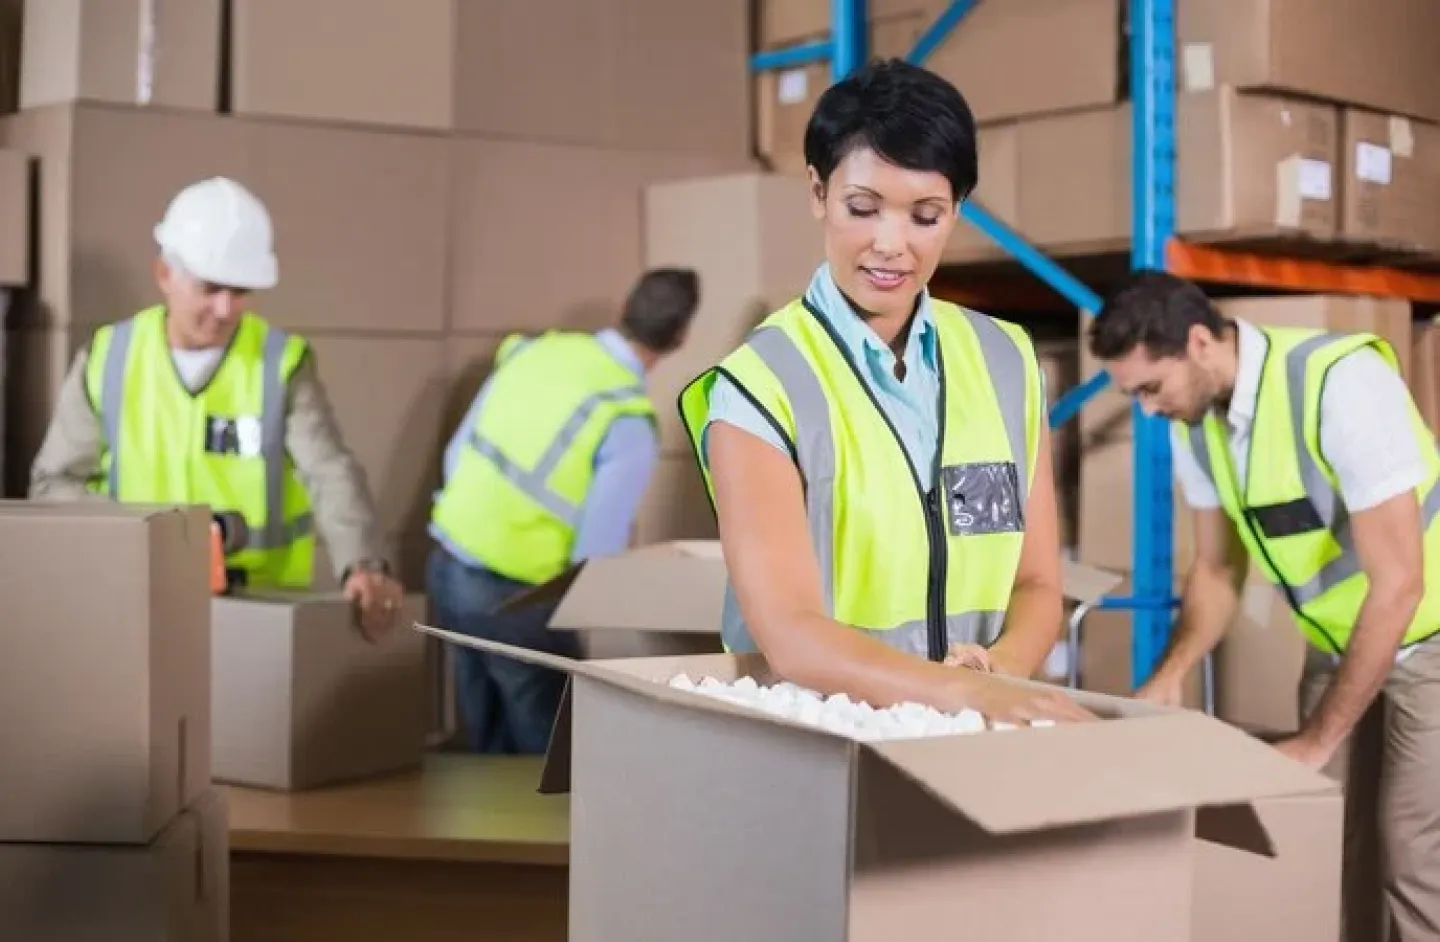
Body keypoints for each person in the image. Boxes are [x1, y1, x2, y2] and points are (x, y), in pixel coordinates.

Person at [676, 58, 1090, 726]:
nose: (891, 245)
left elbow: (1038, 582)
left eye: (926, 216)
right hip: (817, 741)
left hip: (970, 733)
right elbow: (787, 630)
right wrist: (957, 692)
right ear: (817, 193)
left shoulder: (1006, 361)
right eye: (863, 209)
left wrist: (998, 672)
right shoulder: (759, 388)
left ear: (957, 209)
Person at [1088, 269, 1440, 942]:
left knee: (1411, 853)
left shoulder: (1337, 385)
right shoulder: (1196, 424)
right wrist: (1172, 670)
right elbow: (1218, 571)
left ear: (1198, 342)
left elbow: (1399, 584)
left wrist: (1314, 741)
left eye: (1151, 388)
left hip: (1431, 633)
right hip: (1340, 644)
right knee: (1327, 836)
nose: (1148, 411)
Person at [29, 176, 404, 637]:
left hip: (257, 614)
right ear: (165, 274)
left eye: (240, 290)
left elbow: (329, 470)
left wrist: (363, 562)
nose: (226, 309)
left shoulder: (280, 363)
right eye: (211, 288)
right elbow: (52, 485)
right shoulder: (108, 358)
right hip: (133, 602)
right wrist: (156, 536)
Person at [428, 268, 701, 754]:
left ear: (623, 308)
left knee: (480, 749)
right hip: (517, 597)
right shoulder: (626, 419)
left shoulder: (535, 350)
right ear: (679, 337)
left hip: (447, 565)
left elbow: (456, 454)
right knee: (548, 759)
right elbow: (593, 556)